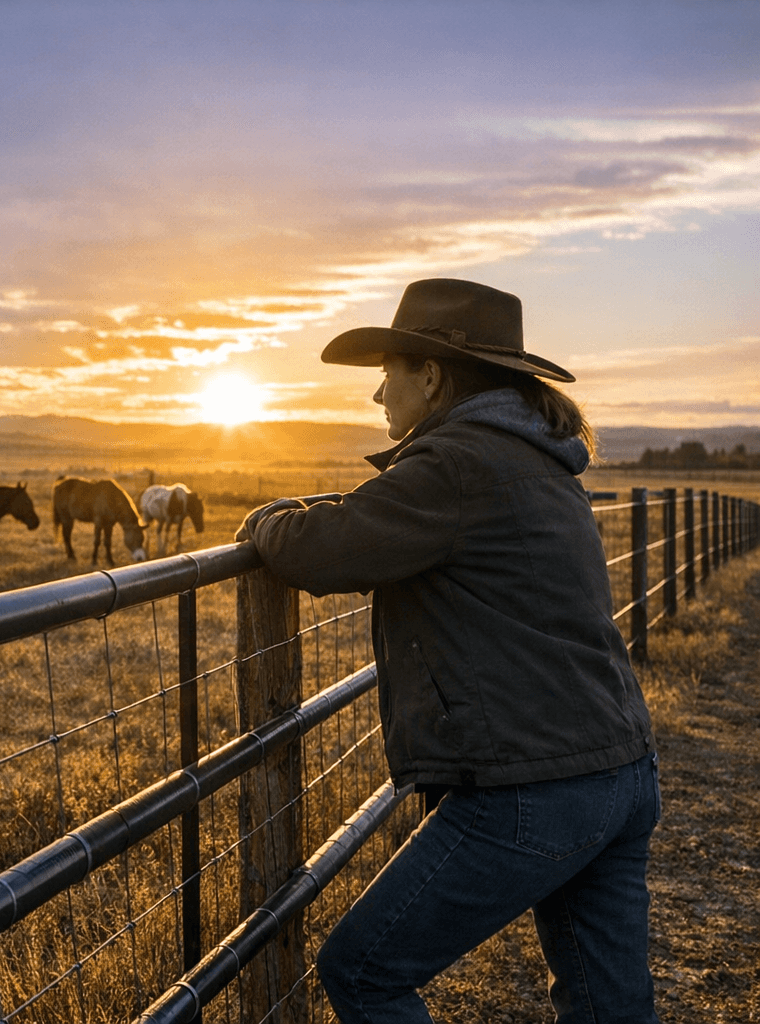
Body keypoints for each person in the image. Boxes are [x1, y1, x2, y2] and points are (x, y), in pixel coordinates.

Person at [236, 279, 659, 1022]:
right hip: (619, 767)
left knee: (362, 971)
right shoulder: (539, 461)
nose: (378, 395)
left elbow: (323, 548)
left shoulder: (456, 463)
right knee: (610, 1009)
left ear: (430, 377)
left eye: (388, 372)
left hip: (536, 784)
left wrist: (268, 518)